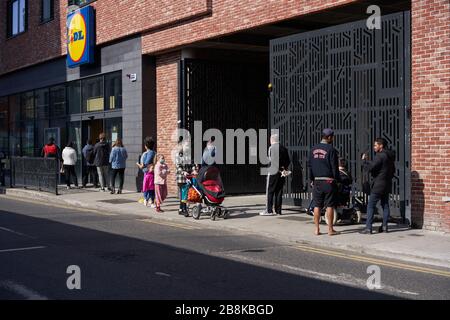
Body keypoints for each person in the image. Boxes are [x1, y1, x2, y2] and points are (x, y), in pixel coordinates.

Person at [360, 138, 396, 234]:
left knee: (371, 205)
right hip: (387, 183)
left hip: (378, 184)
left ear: (381, 146)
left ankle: (368, 228)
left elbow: (370, 168)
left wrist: (363, 161)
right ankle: (384, 227)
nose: (374, 147)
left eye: (375, 145)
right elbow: (391, 170)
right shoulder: (390, 156)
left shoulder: (380, 156)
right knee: (385, 204)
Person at [309, 128, 340, 236]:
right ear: (329, 137)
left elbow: (310, 166)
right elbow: (334, 167)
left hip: (317, 181)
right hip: (328, 181)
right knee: (329, 206)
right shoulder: (331, 149)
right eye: (332, 137)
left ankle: (317, 229)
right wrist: (337, 179)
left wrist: (311, 179)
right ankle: (330, 229)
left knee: (317, 206)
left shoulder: (313, 149)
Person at [260, 133, 291, 216]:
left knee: (270, 191)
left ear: (272, 140)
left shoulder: (271, 148)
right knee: (279, 191)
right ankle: (278, 210)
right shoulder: (284, 148)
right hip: (282, 171)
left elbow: (272, 160)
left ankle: (269, 210)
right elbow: (288, 160)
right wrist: (284, 169)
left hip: (273, 171)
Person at [175, 138, 191, 216]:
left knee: (184, 193)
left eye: (189, 145)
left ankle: (181, 209)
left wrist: (194, 169)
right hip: (181, 177)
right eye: (186, 145)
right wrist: (183, 172)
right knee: (184, 193)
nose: (188, 146)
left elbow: (191, 164)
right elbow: (178, 166)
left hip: (188, 176)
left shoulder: (188, 154)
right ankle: (184, 209)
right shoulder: (179, 154)